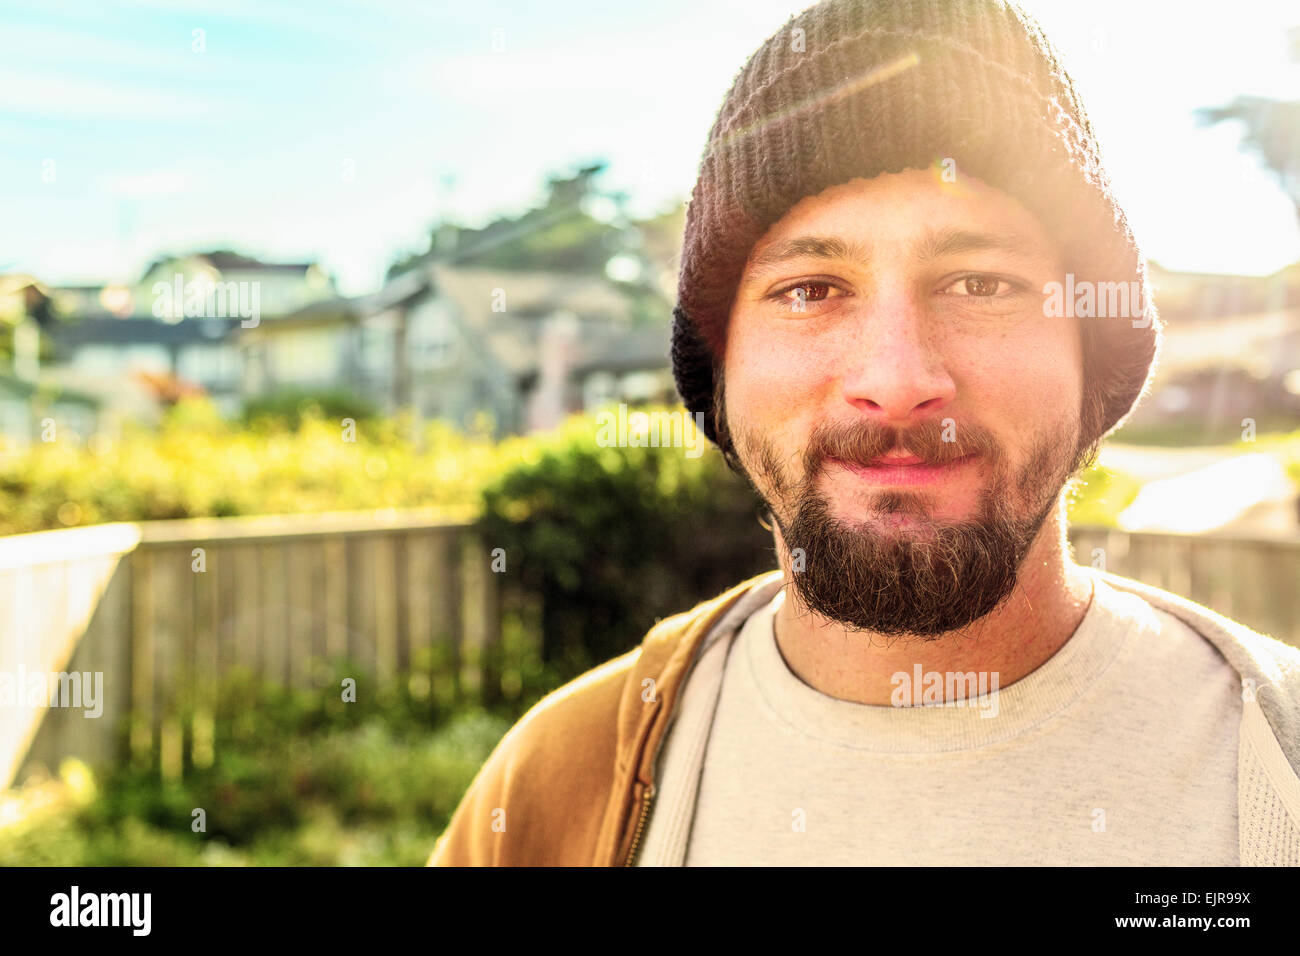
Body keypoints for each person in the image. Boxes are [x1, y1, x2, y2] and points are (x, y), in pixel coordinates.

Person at [429, 0, 1300, 866]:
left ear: (1093, 347)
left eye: (981, 285)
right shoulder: (559, 788)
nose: (897, 381)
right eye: (810, 289)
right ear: (720, 366)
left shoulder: (1281, 756)